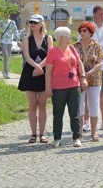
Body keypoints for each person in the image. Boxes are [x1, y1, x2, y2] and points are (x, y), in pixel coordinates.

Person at [44, 27, 87, 147]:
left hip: (74, 85)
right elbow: (48, 71)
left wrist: (82, 78)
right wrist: (48, 87)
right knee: (58, 113)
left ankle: (77, 137)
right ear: (61, 37)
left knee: (75, 112)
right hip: (58, 87)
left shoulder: (72, 48)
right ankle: (57, 137)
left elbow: (79, 64)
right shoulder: (53, 51)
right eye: (68, 35)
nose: (70, 37)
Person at [18, 14, 50, 143]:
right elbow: (27, 57)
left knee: (42, 105)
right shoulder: (26, 39)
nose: (32, 24)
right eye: (31, 22)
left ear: (41, 24)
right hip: (30, 72)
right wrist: (36, 67)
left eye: (35, 22)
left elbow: (50, 55)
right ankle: (33, 134)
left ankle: (42, 133)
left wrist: (41, 67)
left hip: (44, 72)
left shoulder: (48, 38)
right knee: (32, 105)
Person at [75, 21, 103, 141]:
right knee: (80, 105)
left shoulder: (97, 46)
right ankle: (79, 133)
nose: (82, 33)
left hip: (95, 79)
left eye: (84, 30)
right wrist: (82, 75)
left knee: (94, 105)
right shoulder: (75, 46)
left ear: (91, 32)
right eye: (80, 31)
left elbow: (100, 62)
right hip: (80, 79)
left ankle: (93, 133)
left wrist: (90, 73)